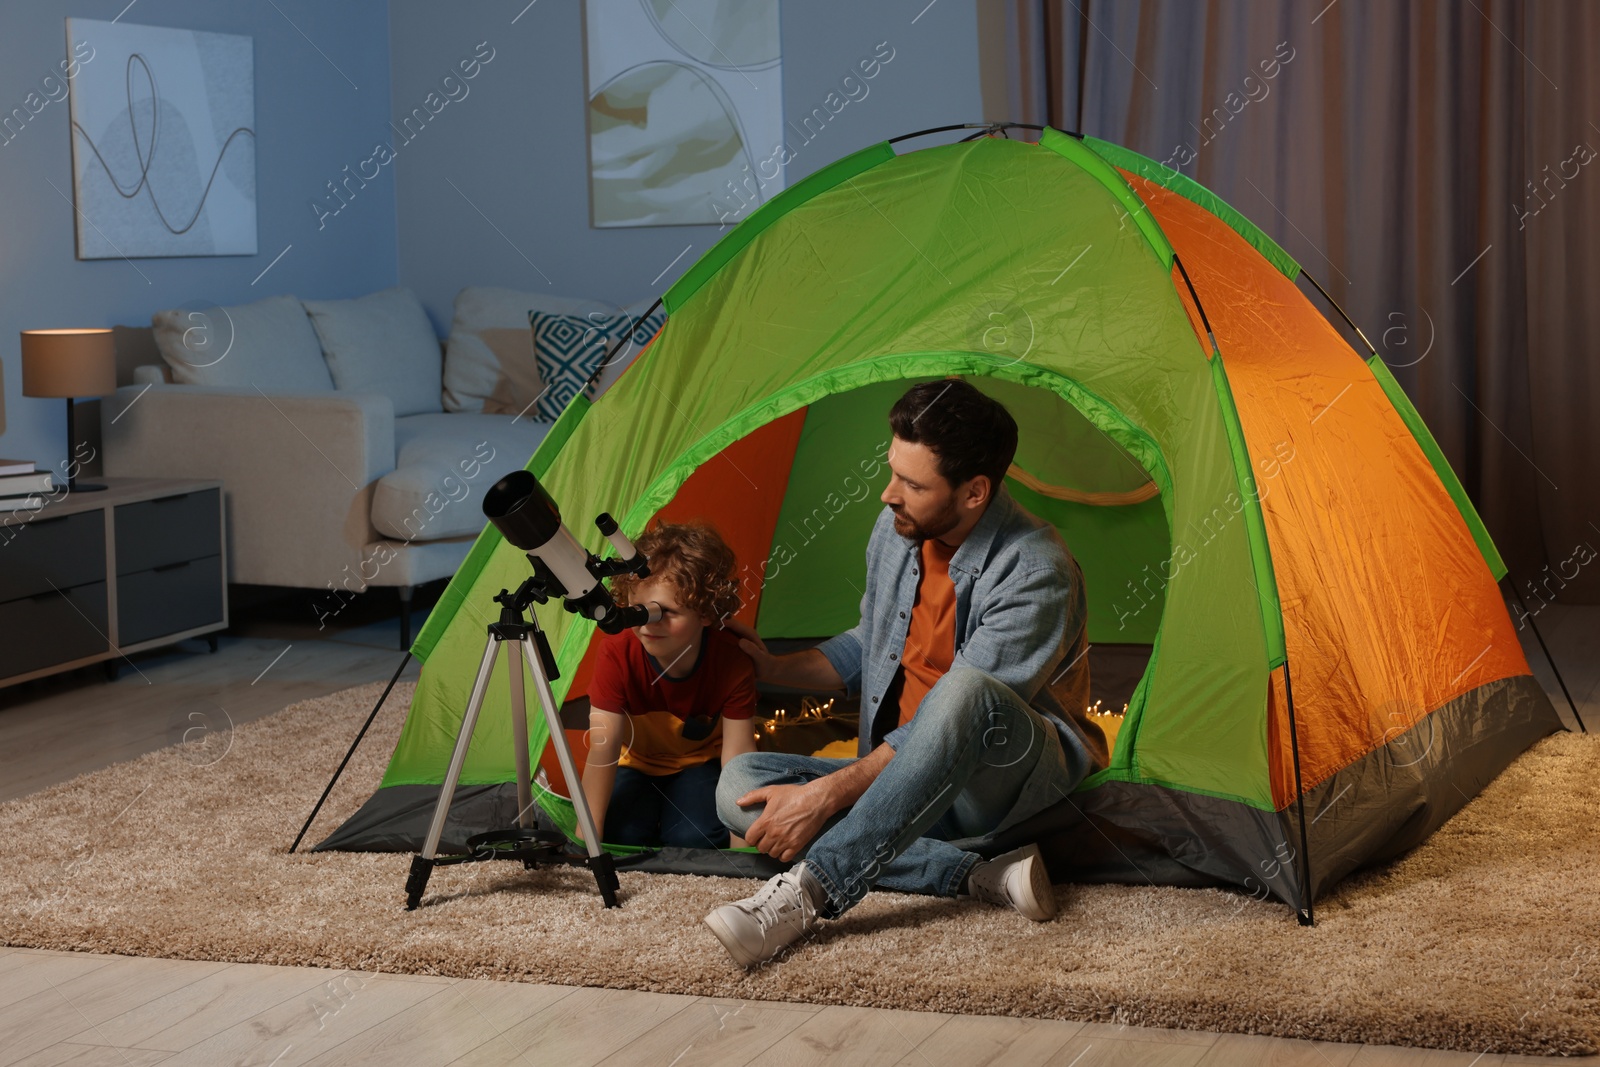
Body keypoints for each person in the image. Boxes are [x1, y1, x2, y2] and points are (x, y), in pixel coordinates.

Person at [705, 378, 1104, 967]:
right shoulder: (899, 530)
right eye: (892, 471)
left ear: (974, 493)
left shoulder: (1035, 569)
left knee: (965, 691)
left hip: (998, 782)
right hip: (898, 776)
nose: (889, 494)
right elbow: (874, 644)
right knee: (740, 784)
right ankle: (971, 874)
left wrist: (827, 795)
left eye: (912, 484)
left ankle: (809, 892)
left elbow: (965, 717)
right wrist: (772, 668)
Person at [579, 522, 760, 849]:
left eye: (667, 612)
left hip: (697, 763)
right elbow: (602, 753)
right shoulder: (617, 653)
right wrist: (585, 845)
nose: (650, 625)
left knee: (692, 839)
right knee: (622, 837)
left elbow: (739, 761)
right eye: (640, 611)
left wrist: (743, 852)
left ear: (705, 613)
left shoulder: (731, 659)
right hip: (635, 762)